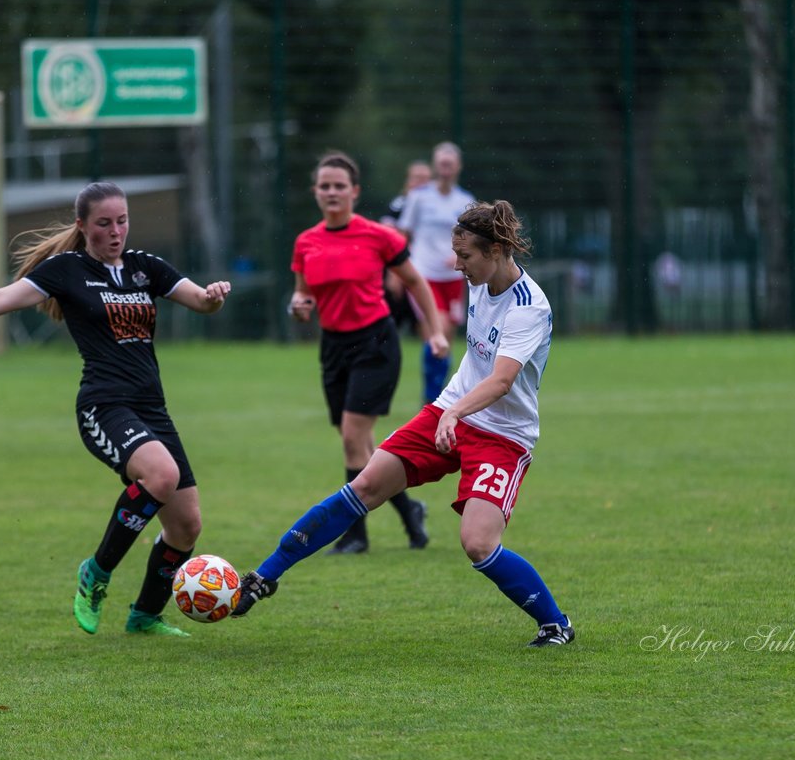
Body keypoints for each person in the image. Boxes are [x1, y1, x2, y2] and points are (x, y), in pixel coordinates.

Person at [234, 199, 574, 648]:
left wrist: (454, 411)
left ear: (495, 251)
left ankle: (556, 625)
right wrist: (449, 404)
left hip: (502, 435)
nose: (456, 266)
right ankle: (264, 577)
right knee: (365, 487)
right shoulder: (479, 281)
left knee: (477, 544)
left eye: (465, 256)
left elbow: (502, 380)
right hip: (450, 411)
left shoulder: (529, 306)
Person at [0, 181, 232, 638]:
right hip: (104, 406)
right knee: (161, 475)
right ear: (82, 226)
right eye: (104, 223)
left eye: (122, 221)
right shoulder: (66, 269)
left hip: (151, 408)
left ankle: (144, 616)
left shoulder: (144, 268)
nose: (115, 231)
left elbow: (199, 301)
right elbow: (1, 298)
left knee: (186, 525)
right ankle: (95, 573)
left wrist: (213, 297)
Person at [288, 151, 450, 555]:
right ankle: (410, 512)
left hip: (375, 343)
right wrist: (299, 305)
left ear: (354, 192)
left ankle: (355, 534)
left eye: (339, 186)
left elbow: (416, 282)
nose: (331, 192)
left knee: (351, 437)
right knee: (362, 445)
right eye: (324, 186)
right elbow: (302, 292)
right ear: (315, 192)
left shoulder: (379, 236)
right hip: (334, 347)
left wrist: (435, 333)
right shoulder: (306, 242)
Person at [398, 141, 475, 404]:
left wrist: (459, 253)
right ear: (435, 166)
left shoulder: (465, 201)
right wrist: (398, 271)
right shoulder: (419, 197)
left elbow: (472, 239)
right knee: (436, 330)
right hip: (424, 276)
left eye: (450, 164)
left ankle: (437, 395)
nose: (445, 169)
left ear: (458, 167)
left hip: (453, 278)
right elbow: (404, 234)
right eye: (441, 163)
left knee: (445, 339)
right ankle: (432, 399)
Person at [380, 160, 433, 335]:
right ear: (408, 180)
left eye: (426, 179)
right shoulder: (399, 204)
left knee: (427, 321)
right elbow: (388, 238)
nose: (421, 183)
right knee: (388, 321)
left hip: (427, 269)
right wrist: (394, 273)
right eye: (417, 178)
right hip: (400, 266)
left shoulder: (434, 209)